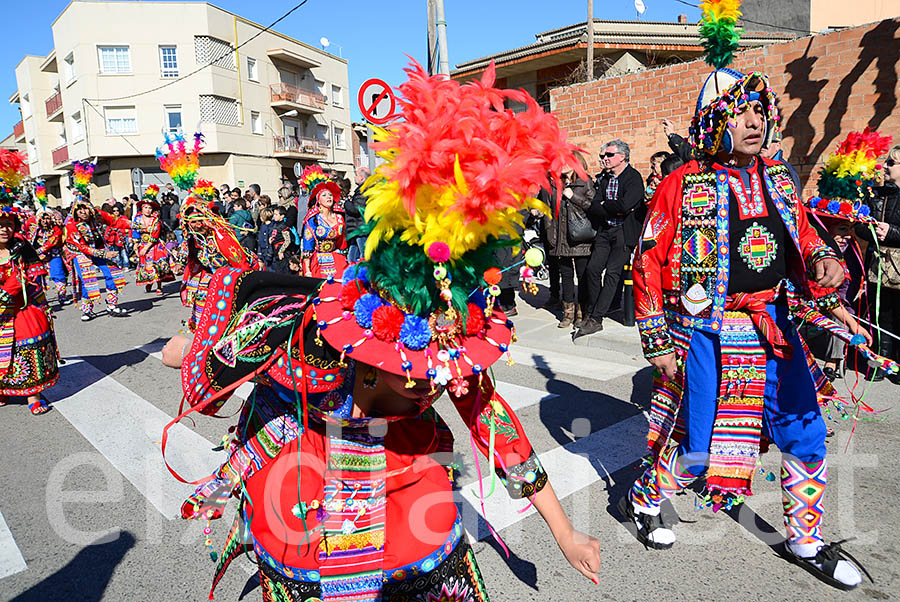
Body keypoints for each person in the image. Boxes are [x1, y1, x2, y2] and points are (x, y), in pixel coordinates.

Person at [159, 62, 602, 601]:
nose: (432, 385)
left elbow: (500, 434)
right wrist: (184, 351)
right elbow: (230, 353)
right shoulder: (312, 346)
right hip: (313, 462)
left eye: (440, 372)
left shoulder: (448, 362)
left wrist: (564, 531)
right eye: (413, 372)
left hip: (406, 463)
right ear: (376, 353)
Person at [625, 10, 870, 588]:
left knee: (804, 428)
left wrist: (823, 263)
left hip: (776, 322)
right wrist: (656, 336)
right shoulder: (682, 182)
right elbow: (647, 260)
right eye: (739, 113)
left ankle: (807, 540)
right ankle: (643, 500)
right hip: (706, 326)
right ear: (714, 122)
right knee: (688, 429)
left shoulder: (779, 178)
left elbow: (804, 239)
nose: (754, 122)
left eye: (759, 111)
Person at [0, 182, 60, 414]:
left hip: (22, 307)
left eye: (8, 225)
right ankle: (3, 390)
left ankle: (32, 395)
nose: (5, 229)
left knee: (29, 341)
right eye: (0, 225)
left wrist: (14, 286)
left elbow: (34, 273)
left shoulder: (21, 247)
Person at [577, 139, 643, 336]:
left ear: (622, 157)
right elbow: (595, 206)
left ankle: (596, 318)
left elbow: (626, 206)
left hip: (624, 232)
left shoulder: (633, 178)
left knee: (613, 274)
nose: (604, 159)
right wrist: (609, 206)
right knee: (592, 269)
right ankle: (594, 309)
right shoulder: (605, 179)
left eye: (609, 155)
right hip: (605, 231)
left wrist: (607, 205)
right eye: (603, 156)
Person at [64, 162, 131, 321]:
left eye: (86, 208)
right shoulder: (71, 225)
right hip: (79, 252)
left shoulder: (97, 216)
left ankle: (111, 304)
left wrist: (136, 225)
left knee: (113, 274)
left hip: (98, 249)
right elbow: (81, 246)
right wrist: (105, 253)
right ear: (75, 211)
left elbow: (115, 221)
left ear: (90, 208)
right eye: (79, 210)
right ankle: (87, 309)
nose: (83, 212)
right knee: (88, 279)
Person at [856, 143, 900, 383]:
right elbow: (858, 223)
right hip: (878, 266)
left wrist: (891, 232)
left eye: (891, 163)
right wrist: (873, 231)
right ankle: (879, 363)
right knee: (879, 315)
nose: (885, 167)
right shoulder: (875, 195)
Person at [542, 153, 594, 328]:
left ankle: (582, 312)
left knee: (582, 275)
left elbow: (592, 205)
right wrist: (550, 232)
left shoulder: (585, 181)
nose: (562, 166)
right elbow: (548, 211)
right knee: (566, 276)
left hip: (580, 236)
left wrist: (573, 196)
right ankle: (568, 312)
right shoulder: (553, 183)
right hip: (560, 237)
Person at [299, 166, 348, 279]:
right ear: (318, 200)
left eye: (330, 194)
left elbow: (342, 242)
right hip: (319, 261)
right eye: (324, 195)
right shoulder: (313, 219)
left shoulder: (339, 217)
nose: (328, 197)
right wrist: (307, 269)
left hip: (337, 259)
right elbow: (308, 244)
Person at [132, 185, 175, 295]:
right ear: (142, 208)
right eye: (145, 207)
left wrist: (146, 248)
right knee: (146, 266)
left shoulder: (155, 220)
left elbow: (154, 236)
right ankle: (149, 282)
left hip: (154, 245)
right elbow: (135, 233)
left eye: (150, 208)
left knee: (158, 265)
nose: (148, 210)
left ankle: (159, 286)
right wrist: (135, 246)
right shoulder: (137, 219)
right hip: (142, 244)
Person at [25, 209, 69, 306]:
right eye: (42, 218)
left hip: (53, 255)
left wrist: (38, 251)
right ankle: (40, 299)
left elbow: (51, 243)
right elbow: (29, 241)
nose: (45, 221)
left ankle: (62, 296)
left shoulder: (56, 229)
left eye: (47, 218)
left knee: (58, 274)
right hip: (37, 258)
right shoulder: (34, 230)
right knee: (37, 277)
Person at [344, 166, 370, 263]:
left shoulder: (364, 191)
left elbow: (356, 210)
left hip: (361, 229)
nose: (354, 177)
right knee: (352, 257)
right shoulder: (362, 190)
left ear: (362, 178)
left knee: (363, 257)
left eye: (356, 175)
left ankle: (363, 276)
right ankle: (354, 276)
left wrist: (346, 203)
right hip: (357, 229)